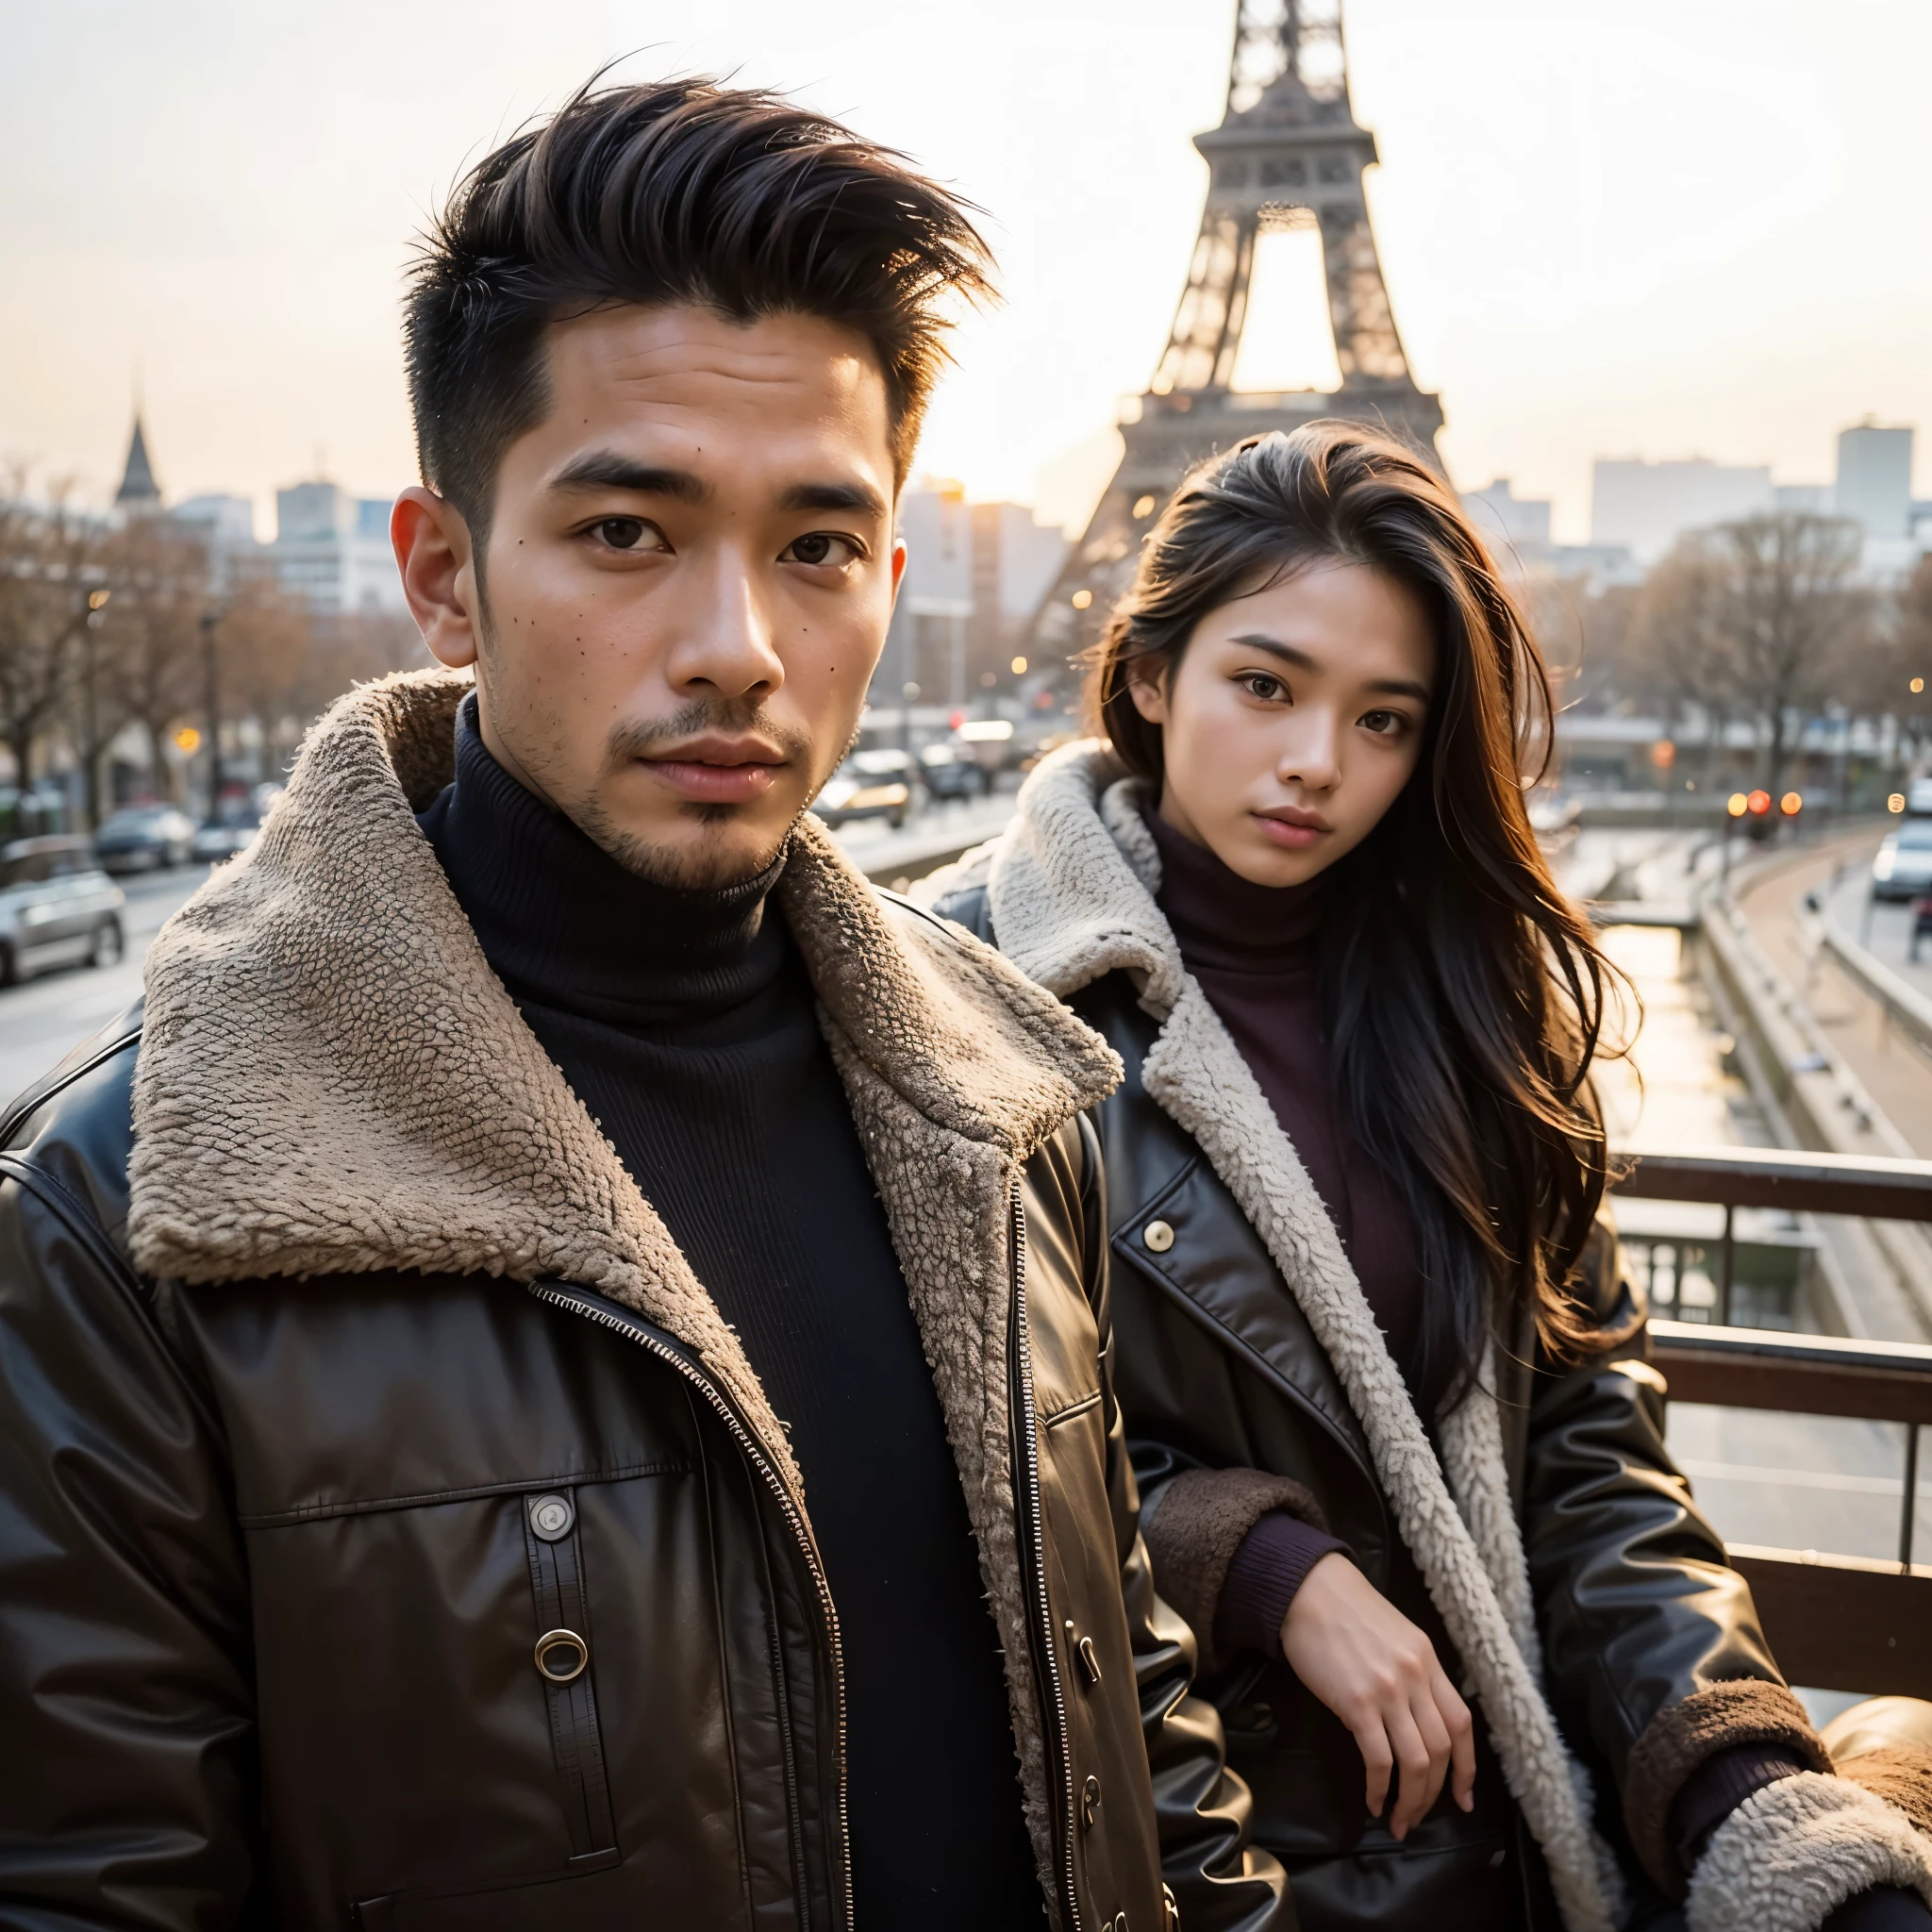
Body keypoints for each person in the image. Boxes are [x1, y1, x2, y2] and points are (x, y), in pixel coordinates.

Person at [0, 79, 1291, 1931]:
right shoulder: (130, 1225)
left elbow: (1131, 1723)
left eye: (817, 548)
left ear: (891, 580)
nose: (738, 644)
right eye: (625, 533)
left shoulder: (1009, 1102)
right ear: (443, 574)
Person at [930, 424, 1932, 1932]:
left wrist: (1747, 1803)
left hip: (1516, 1841)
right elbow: (934, 1451)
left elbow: (1590, 1448)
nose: (1317, 763)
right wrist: (1259, 1564)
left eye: (1385, 720)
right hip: (1202, 1855)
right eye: (1265, 686)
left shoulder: (1475, 1002)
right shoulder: (964, 995)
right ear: (1150, 675)